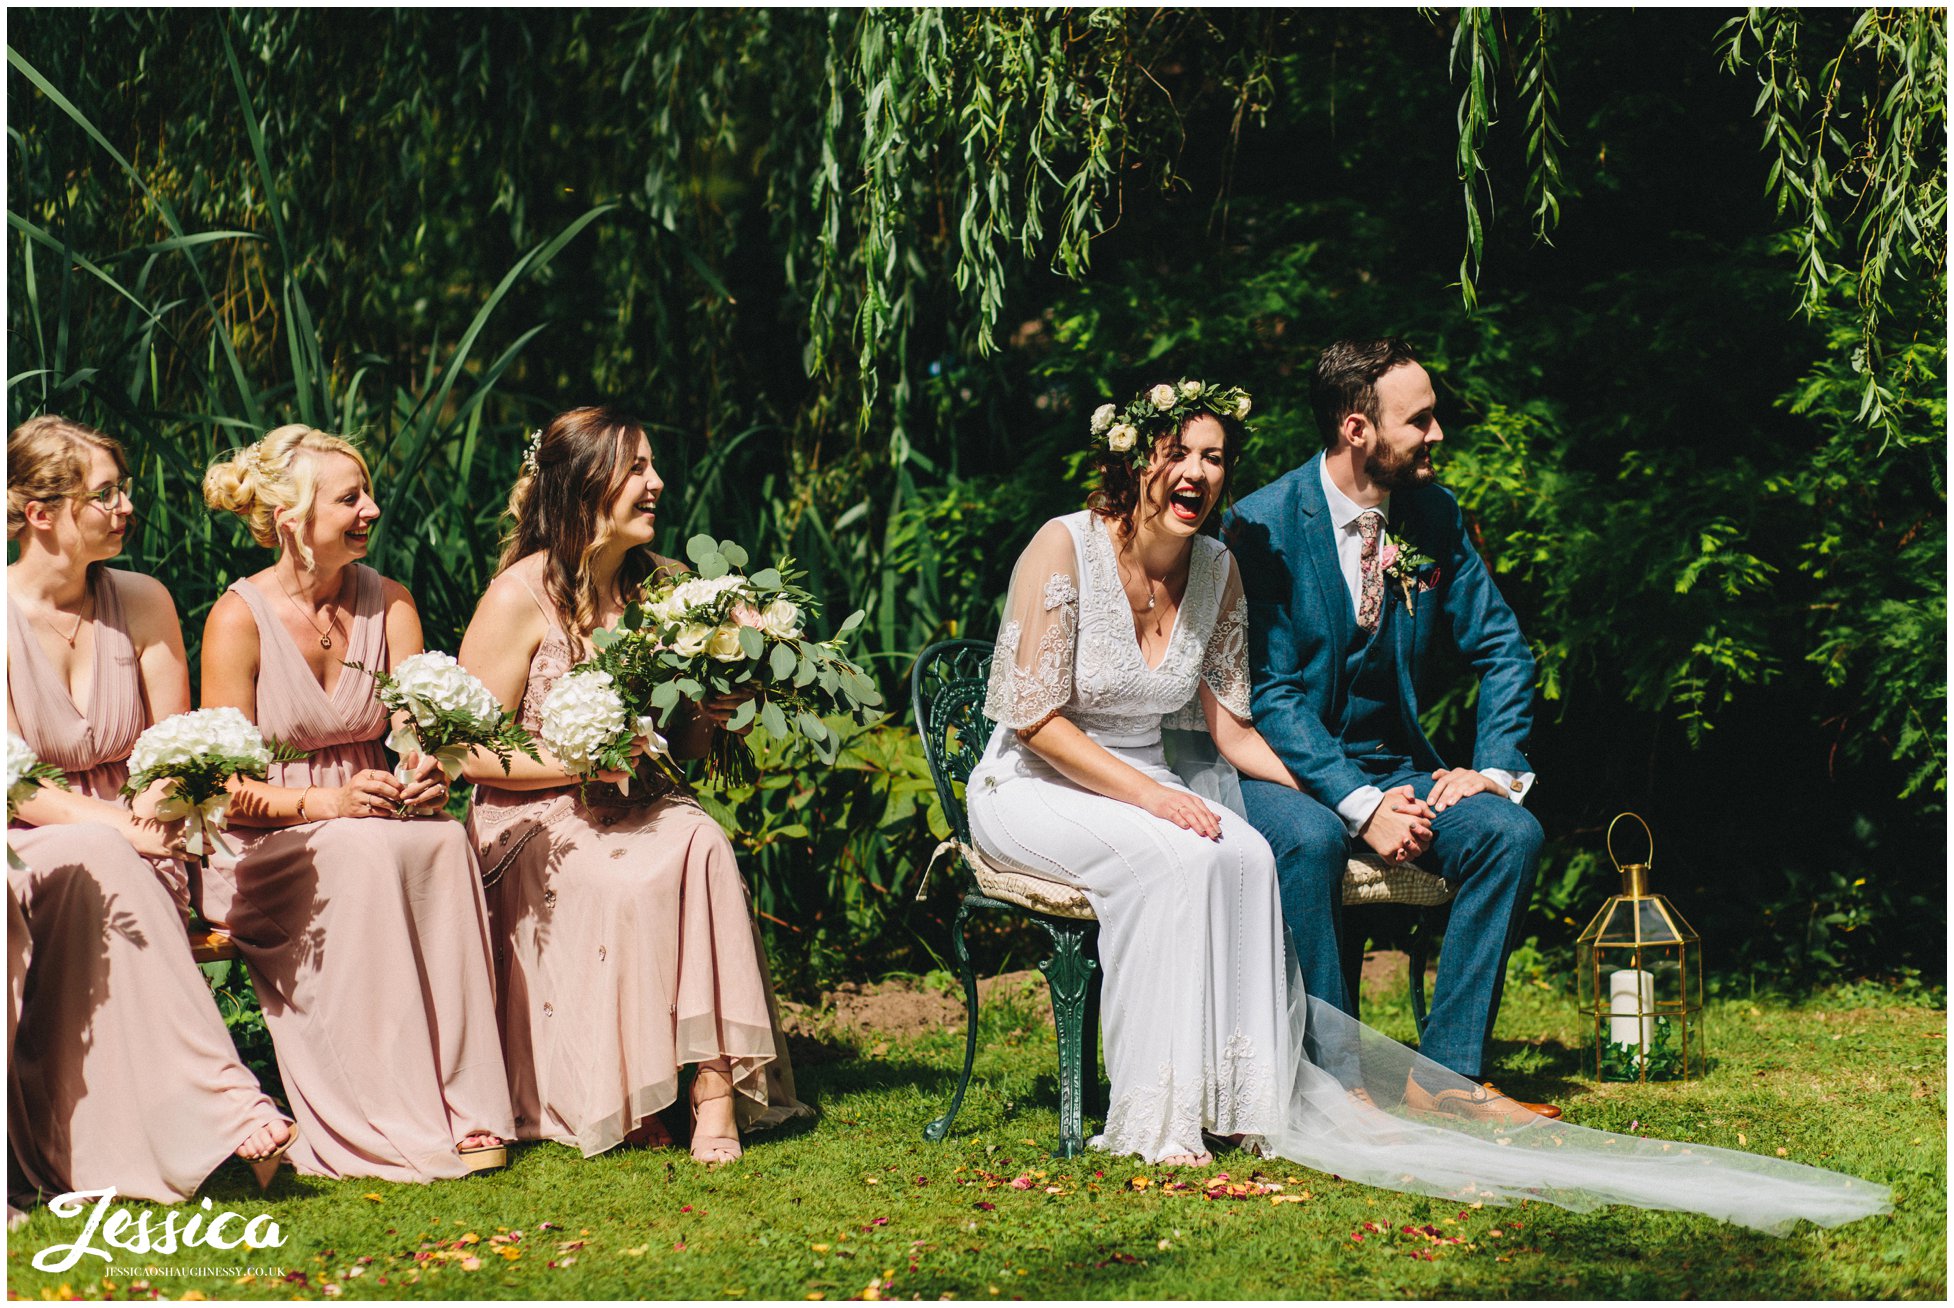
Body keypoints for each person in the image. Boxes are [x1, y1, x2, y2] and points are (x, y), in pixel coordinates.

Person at [964, 378, 1889, 1233]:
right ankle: (1229, 1099)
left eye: (1214, 457)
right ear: (1137, 459)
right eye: (1181, 454)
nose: (1199, 474)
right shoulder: (1188, 533)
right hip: (1058, 776)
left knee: (1483, 835)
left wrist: (1473, 772)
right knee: (1248, 848)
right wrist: (1343, 804)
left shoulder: (1284, 549)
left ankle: (1421, 1081)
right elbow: (1061, 715)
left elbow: (1268, 714)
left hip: (1355, 769)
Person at [457, 405, 809, 1165]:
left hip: (637, 802)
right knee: (623, 882)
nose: (657, 483)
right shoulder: (518, 598)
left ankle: (712, 1087)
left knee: (703, 839)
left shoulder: (668, 591)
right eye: (637, 469)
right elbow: (469, 753)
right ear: (586, 486)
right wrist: (581, 765)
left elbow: (680, 747)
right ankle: (631, 1086)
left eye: (652, 466)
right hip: (533, 822)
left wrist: (718, 708)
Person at [1226, 337, 1550, 1116]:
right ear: (1356, 428)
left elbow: (1504, 649)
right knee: (1310, 839)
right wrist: (1361, 805)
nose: (1437, 435)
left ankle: (1443, 1080)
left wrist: (1493, 768)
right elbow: (1271, 695)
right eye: (1421, 421)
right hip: (1279, 768)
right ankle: (1335, 1086)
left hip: (1395, 762)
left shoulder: (1434, 517)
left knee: (1511, 834)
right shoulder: (1262, 524)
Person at [200, 423, 514, 1182]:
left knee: (441, 840)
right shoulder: (237, 619)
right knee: (360, 850)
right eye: (350, 499)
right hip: (267, 841)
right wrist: (327, 803)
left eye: (367, 493)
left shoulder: (391, 603)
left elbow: (412, 732)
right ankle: (386, 1112)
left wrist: (424, 770)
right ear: (292, 520)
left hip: (373, 815)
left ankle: (468, 1106)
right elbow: (218, 788)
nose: (371, 509)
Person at [6, 414, 292, 1202]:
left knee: (119, 861)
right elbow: (17, 787)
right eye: (105, 495)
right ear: (39, 512)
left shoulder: (141, 600)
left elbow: (179, 747)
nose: (127, 506)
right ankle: (230, 1102)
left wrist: (156, 815)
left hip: (148, 842)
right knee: (102, 855)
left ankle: (156, 1127)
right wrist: (124, 829)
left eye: (124, 490)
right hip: (29, 848)